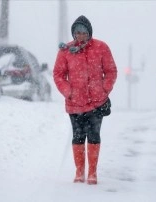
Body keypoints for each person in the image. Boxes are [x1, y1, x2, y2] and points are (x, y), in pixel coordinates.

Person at [53, 15, 117, 185]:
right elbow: (58, 74)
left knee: (94, 135)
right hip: (75, 103)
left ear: (89, 33)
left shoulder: (101, 47)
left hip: (97, 102)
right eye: (77, 32)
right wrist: (68, 92)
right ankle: (79, 171)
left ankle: (93, 173)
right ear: (73, 34)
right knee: (78, 136)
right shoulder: (65, 50)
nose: (80, 36)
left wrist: (104, 89)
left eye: (83, 32)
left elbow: (111, 71)